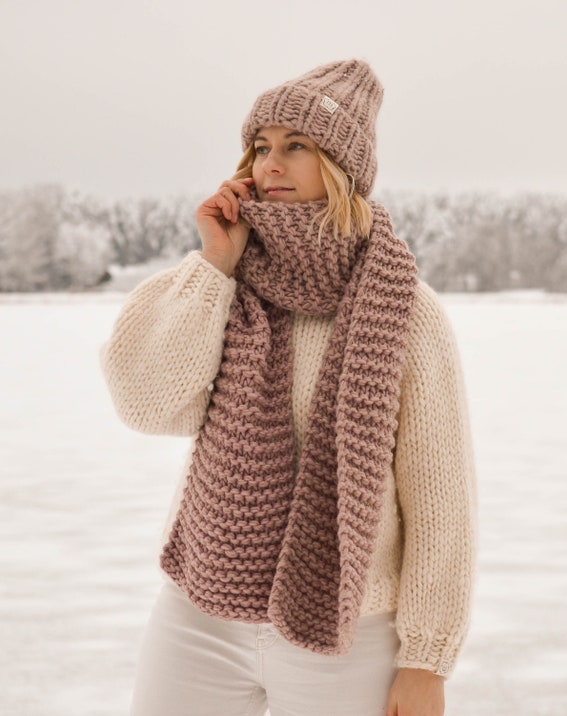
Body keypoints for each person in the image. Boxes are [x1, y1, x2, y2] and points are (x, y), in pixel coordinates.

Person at [100, 59, 477, 716]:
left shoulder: (408, 314)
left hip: (347, 632)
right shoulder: (226, 283)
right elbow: (146, 403)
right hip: (200, 616)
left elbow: (441, 501)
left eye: (295, 146)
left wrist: (426, 661)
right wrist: (213, 265)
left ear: (342, 167)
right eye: (262, 146)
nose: (270, 163)